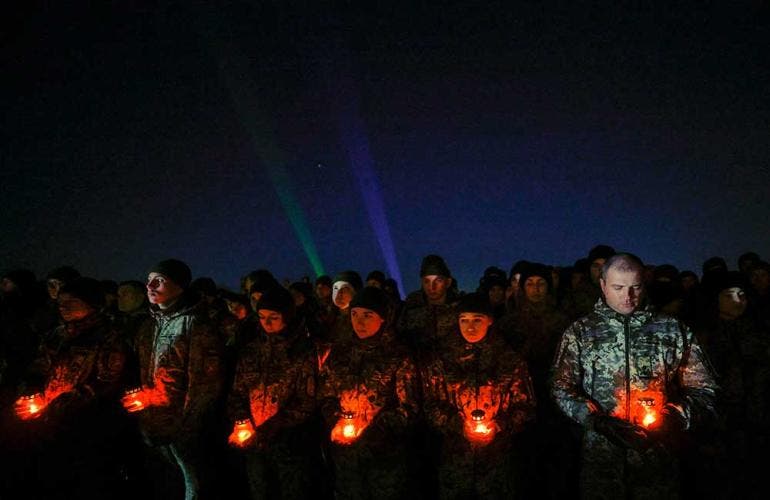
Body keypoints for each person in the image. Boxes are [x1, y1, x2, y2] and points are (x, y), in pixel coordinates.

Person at [551, 253, 717, 499]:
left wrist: (674, 416)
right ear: (603, 285)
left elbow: (704, 389)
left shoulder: (672, 330)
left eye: (635, 287)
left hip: (658, 461)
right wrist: (594, 419)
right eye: (618, 287)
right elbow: (560, 386)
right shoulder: (581, 333)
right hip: (602, 462)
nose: (627, 297)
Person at [13, 277, 128, 498]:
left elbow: (106, 381)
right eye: (61, 302)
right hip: (49, 420)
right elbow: (39, 366)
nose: (63, 307)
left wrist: (66, 403)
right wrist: (32, 390)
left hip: (87, 423)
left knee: (84, 479)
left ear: (92, 304)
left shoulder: (108, 336)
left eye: (72, 302)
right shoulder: (57, 334)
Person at [122, 259, 225, 500]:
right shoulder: (149, 325)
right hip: (152, 421)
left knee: (194, 483)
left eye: (159, 281)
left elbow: (206, 384)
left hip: (182, 425)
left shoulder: (195, 324)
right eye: (148, 280)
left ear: (179, 286)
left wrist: (189, 424)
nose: (150, 286)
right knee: (165, 482)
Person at [421, 292, 535, 499]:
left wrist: (499, 425)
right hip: (455, 458)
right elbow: (430, 402)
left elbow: (526, 406)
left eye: (477, 320)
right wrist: (455, 424)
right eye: (463, 320)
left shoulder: (509, 359)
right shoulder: (442, 359)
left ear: (489, 321)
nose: (470, 327)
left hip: (496, 460)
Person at [318, 286, 418, 499]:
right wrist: (336, 419)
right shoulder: (339, 354)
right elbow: (326, 395)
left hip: (384, 456)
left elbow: (408, 406)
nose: (359, 322)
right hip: (346, 456)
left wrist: (378, 430)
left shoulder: (398, 356)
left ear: (383, 319)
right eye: (355, 314)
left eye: (367, 315)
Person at [227, 286, 320, 499]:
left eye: (274, 317)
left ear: (287, 317)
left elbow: (307, 398)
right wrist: (241, 418)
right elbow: (238, 390)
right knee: (260, 490)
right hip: (254, 439)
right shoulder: (251, 350)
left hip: (290, 441)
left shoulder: (302, 351)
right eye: (262, 317)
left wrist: (276, 424)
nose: (266, 323)